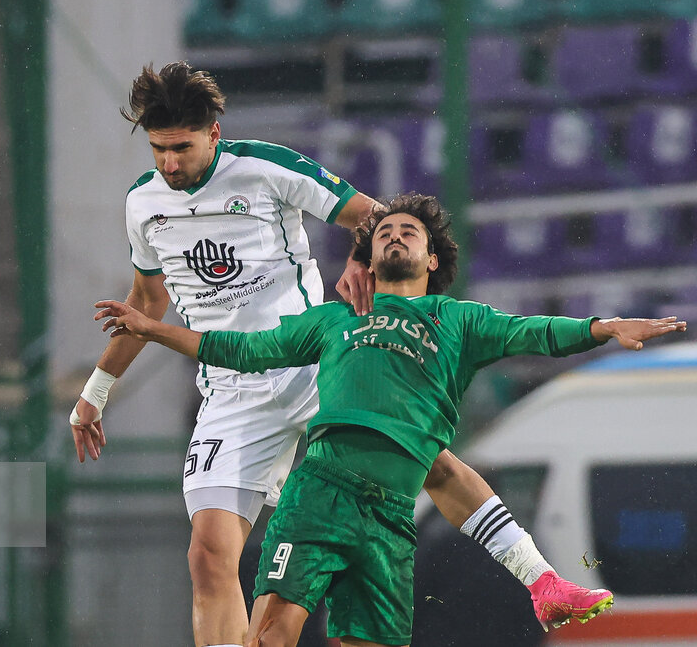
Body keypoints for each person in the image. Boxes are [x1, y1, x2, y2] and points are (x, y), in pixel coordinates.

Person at [70, 61, 613, 646]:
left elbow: (375, 214)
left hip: (314, 364)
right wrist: (95, 393)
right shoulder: (143, 203)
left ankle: (540, 579)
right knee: (207, 556)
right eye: (159, 149)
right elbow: (145, 303)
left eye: (182, 148)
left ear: (214, 133)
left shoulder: (266, 168)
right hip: (231, 387)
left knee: (427, 463)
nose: (170, 164)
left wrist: (359, 259)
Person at [93, 191, 687, 646]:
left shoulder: (459, 321)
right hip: (320, 494)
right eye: (384, 232)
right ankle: (542, 580)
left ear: (432, 257)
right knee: (271, 635)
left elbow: (536, 332)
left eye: (409, 231)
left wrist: (603, 328)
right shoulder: (334, 321)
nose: (395, 236)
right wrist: (153, 329)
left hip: (393, 516)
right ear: (370, 259)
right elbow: (240, 350)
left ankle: (542, 581)